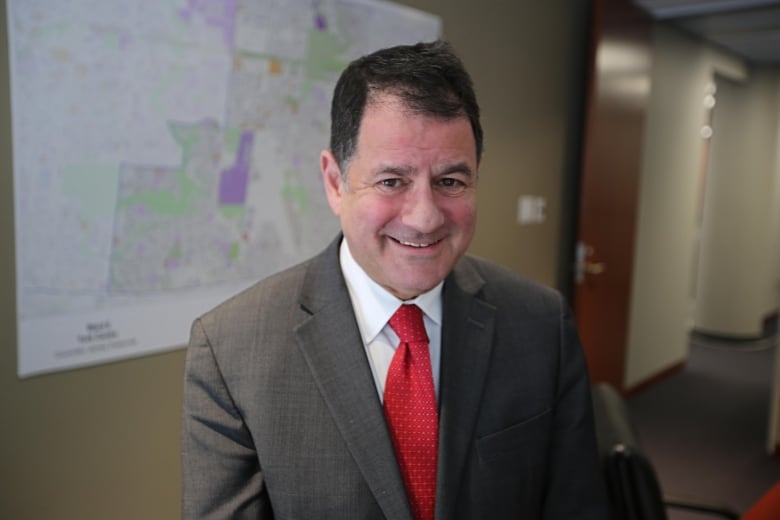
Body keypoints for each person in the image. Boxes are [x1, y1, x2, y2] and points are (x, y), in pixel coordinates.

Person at [182, 40, 608, 519]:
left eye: (450, 181)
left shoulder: (540, 324)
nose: (425, 218)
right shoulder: (230, 349)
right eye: (391, 181)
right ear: (334, 182)